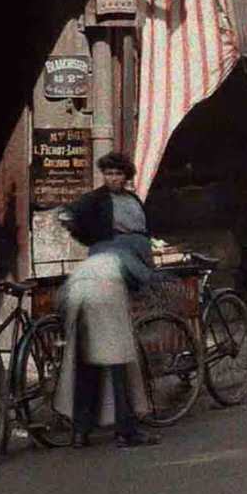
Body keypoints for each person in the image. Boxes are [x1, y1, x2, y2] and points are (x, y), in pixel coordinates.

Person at [54, 152, 157, 448]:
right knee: (118, 357)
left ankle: (81, 430)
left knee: (89, 355)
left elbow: (144, 233)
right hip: (107, 275)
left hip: (100, 274)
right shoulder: (95, 199)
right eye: (108, 173)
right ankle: (125, 430)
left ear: (126, 176)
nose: (113, 178)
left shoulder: (134, 201)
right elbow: (68, 215)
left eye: (117, 174)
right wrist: (90, 237)